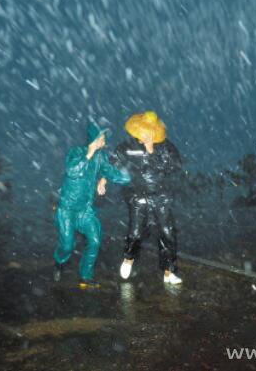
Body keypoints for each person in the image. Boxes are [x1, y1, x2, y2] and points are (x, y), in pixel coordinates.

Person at [53, 122, 131, 289]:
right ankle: (59, 262)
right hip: (67, 209)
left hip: (85, 210)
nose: (104, 140)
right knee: (67, 245)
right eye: (102, 137)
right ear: (94, 139)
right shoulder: (76, 152)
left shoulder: (100, 157)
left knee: (95, 241)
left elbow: (110, 172)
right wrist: (89, 153)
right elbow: (73, 171)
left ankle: (85, 276)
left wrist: (131, 177)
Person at [113, 111, 183, 284]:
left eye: (150, 131)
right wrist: (103, 179)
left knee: (167, 233)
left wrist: (152, 151)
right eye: (143, 131)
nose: (146, 135)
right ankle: (128, 258)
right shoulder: (127, 146)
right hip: (138, 196)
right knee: (136, 232)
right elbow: (113, 163)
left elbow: (175, 167)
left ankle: (169, 272)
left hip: (161, 196)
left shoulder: (166, 147)